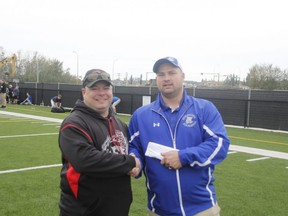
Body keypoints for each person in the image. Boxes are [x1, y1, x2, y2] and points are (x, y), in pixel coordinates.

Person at [128, 57, 230, 216]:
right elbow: (134, 147)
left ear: (183, 76)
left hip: (202, 209)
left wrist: (183, 157)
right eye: (161, 74)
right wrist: (136, 162)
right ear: (157, 79)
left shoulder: (204, 109)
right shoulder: (141, 115)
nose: (166, 78)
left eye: (171, 73)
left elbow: (219, 144)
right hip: (159, 210)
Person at [58, 69, 140, 216]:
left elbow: (130, 152)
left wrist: (136, 161)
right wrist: (129, 162)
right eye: (94, 88)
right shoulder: (73, 123)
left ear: (112, 91)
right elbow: (85, 160)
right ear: (84, 92)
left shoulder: (119, 124)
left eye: (106, 88)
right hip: (83, 210)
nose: (101, 93)